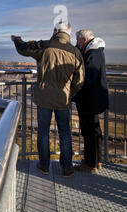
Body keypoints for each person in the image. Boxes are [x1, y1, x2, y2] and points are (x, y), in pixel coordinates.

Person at [11, 21, 84, 178]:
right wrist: (70, 94)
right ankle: (67, 167)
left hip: (44, 97)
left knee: (43, 132)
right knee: (65, 133)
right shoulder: (75, 52)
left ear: (56, 30)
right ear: (68, 33)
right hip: (63, 99)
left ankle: (44, 165)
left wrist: (17, 39)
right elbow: (80, 80)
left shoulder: (45, 46)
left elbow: (23, 49)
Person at [72, 29, 109, 173]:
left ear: (84, 39)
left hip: (89, 99)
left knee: (88, 131)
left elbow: (89, 77)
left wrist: (76, 90)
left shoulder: (92, 54)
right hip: (94, 98)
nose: (77, 42)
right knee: (95, 130)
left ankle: (90, 163)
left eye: (78, 40)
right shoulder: (95, 51)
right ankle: (97, 160)